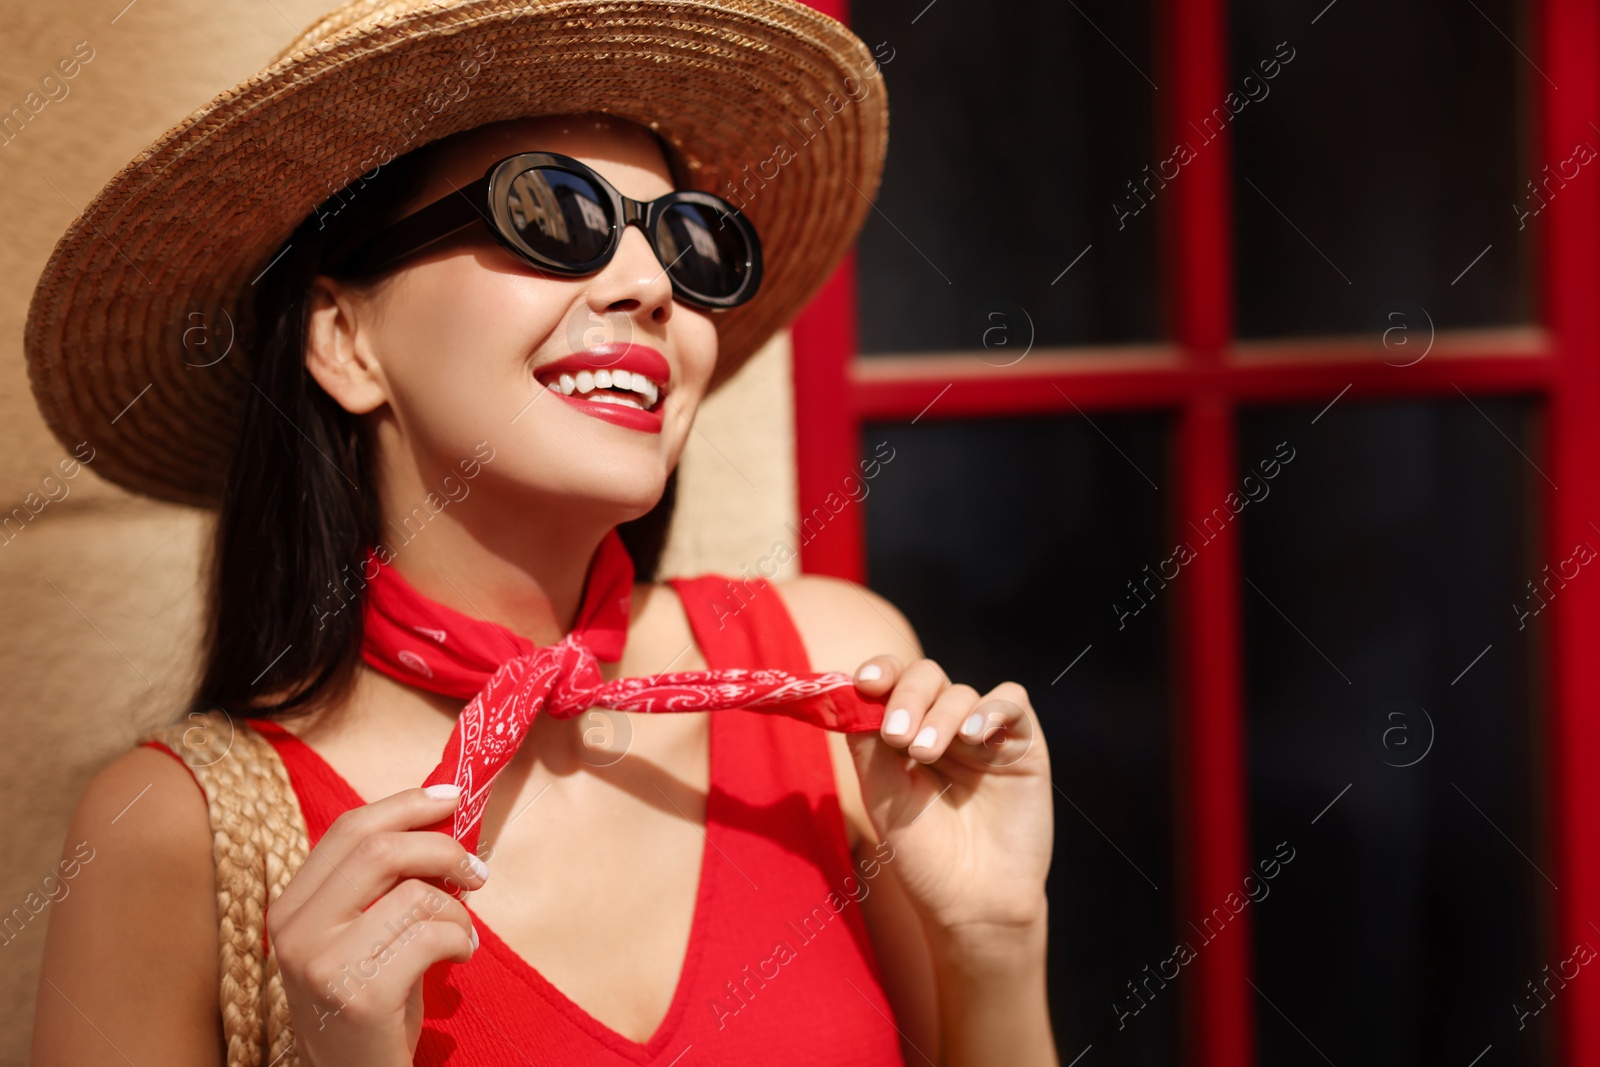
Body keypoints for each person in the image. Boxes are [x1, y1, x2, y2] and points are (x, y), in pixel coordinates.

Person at [25, 1, 1057, 1064]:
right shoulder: (170, 835)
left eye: (688, 243)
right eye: (550, 214)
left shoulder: (831, 683)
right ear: (344, 339)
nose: (651, 286)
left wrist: (993, 939)